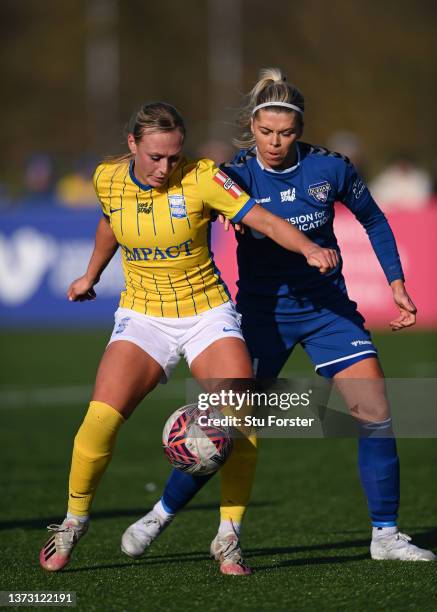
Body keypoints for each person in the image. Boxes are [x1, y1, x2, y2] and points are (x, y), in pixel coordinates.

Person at [125, 70, 435, 566]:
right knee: (226, 425)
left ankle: (386, 536)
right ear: (253, 125)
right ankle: (159, 514)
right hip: (261, 316)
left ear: (300, 128)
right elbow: (183, 211)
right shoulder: (236, 174)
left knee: (375, 411)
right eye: (267, 132)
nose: (275, 142)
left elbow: (374, 220)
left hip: (327, 312)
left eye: (286, 133)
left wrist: (396, 282)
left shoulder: (330, 169)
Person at [38, 101, 338, 574]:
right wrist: (90, 275)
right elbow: (110, 225)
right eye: (155, 156)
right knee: (100, 419)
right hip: (142, 317)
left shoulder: (202, 177)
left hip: (205, 315)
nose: (165, 167)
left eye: (174, 156)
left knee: (243, 415)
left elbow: (261, 219)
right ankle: (74, 521)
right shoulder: (106, 178)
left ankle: (228, 538)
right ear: (132, 145)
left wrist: (308, 247)